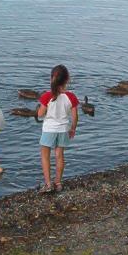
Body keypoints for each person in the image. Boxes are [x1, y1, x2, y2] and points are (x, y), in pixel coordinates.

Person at [37, 64, 78, 193]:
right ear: (67, 80)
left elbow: (40, 114)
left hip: (49, 130)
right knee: (59, 155)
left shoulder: (47, 96)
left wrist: (40, 108)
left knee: (45, 156)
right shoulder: (71, 97)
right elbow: (75, 116)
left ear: (51, 79)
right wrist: (73, 129)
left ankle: (48, 184)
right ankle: (58, 182)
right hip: (63, 130)